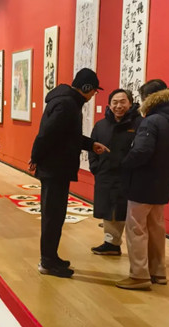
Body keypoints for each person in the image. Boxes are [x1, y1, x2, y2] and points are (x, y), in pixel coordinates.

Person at [29, 68, 109, 278]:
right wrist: (35, 157)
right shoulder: (67, 104)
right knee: (53, 216)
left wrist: (91, 145)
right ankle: (47, 261)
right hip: (55, 169)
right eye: (94, 91)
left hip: (56, 168)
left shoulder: (67, 101)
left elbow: (67, 135)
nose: (94, 95)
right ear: (86, 88)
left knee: (55, 215)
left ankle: (51, 256)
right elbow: (47, 134)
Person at [116, 80, 169, 290]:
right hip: (163, 182)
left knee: (136, 228)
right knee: (156, 228)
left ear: (149, 98)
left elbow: (142, 151)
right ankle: (158, 271)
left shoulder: (152, 120)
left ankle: (139, 275)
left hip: (142, 183)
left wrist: (124, 164)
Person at [88, 89, 141, 256]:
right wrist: (95, 166)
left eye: (123, 102)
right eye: (115, 102)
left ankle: (135, 250)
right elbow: (92, 147)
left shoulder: (138, 124)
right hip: (105, 173)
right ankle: (111, 243)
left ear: (130, 103)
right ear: (109, 105)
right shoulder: (101, 125)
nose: (119, 106)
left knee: (124, 211)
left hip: (128, 176)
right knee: (107, 209)